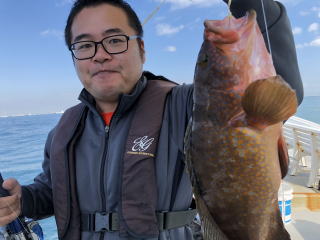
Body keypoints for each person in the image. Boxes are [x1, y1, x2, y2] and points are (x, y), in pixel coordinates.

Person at [0, 0, 303, 239]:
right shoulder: (62, 130)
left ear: (141, 49)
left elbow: (276, 89)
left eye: (114, 40)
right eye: (84, 45)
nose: (100, 55)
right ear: (74, 57)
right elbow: (52, 193)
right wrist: (21, 200)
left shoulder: (187, 105)